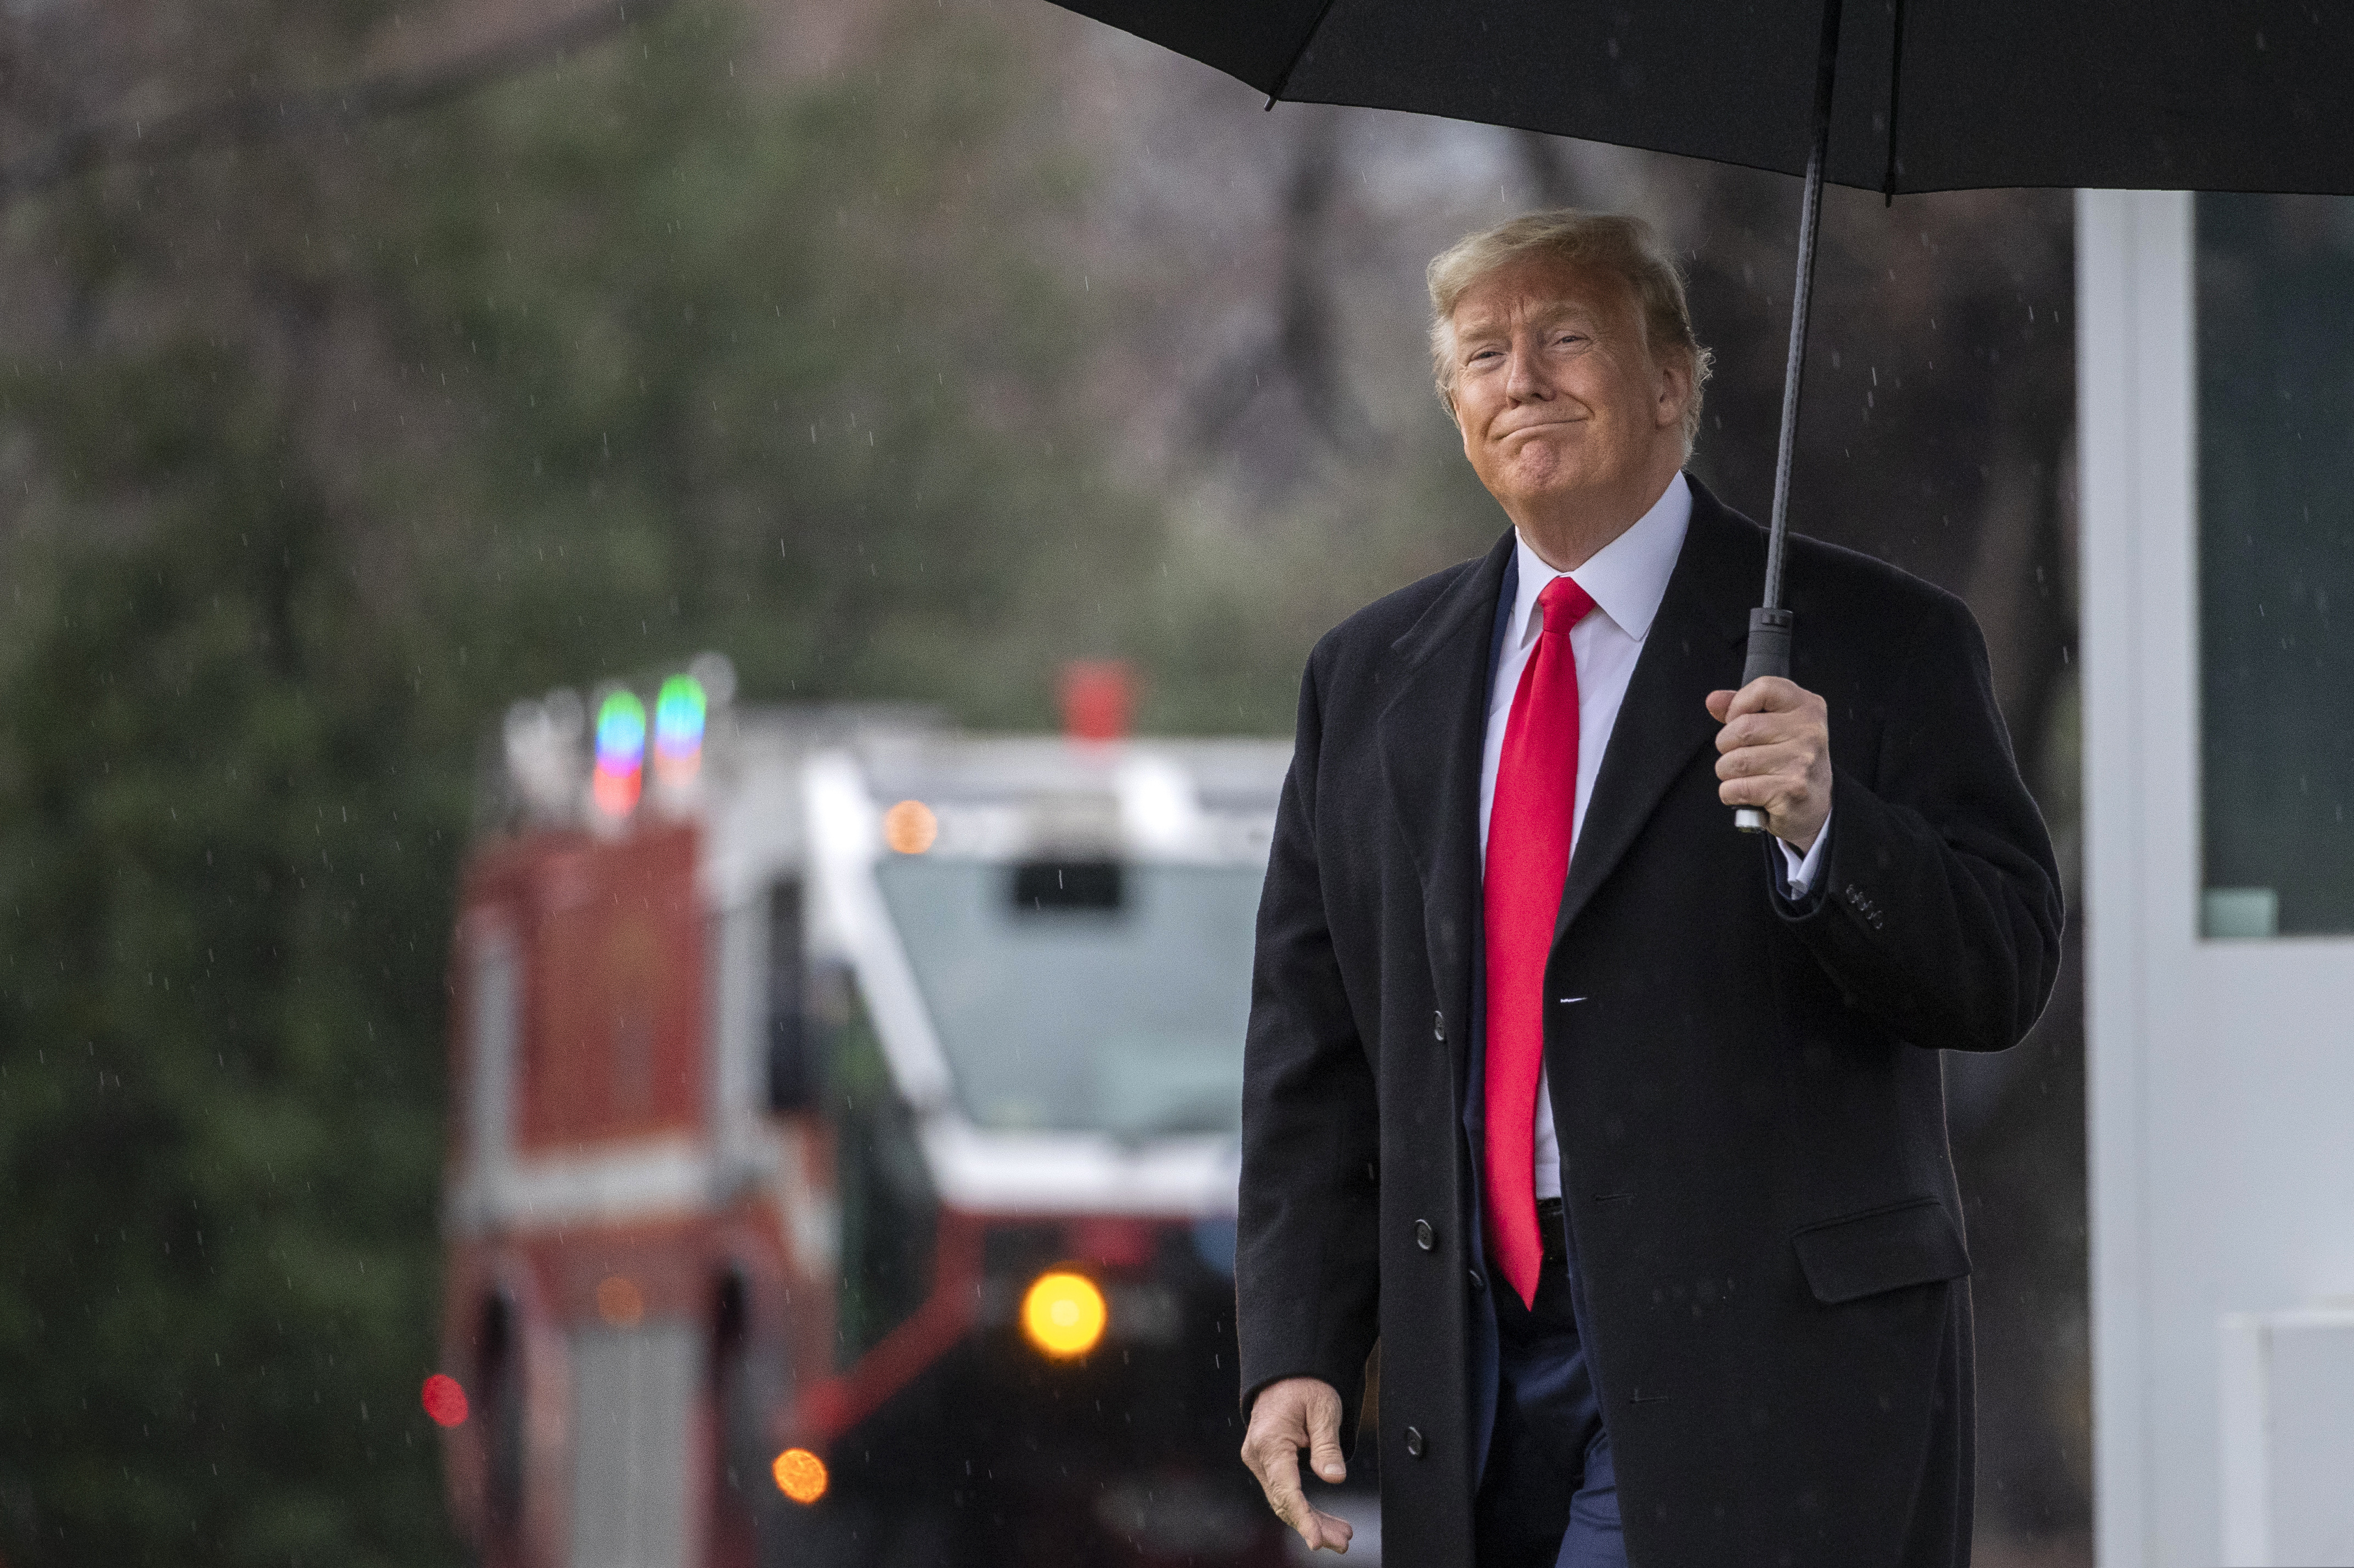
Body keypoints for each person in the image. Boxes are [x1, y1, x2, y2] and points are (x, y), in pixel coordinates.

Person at [1233, 210, 2063, 1568]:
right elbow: (1311, 1049)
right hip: (1473, 1366)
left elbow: (2005, 965)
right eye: (1484, 353)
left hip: (1766, 1364)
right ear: (1456, 408)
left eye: (1566, 338)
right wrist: (1297, 1344)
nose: (1523, 379)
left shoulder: (1878, 641)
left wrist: (1830, 828)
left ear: (1672, 381)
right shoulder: (1369, 678)